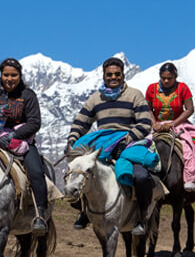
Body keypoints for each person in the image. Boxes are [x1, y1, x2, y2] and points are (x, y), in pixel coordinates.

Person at [66, 57, 154, 235]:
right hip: (101, 144)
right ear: (104, 76)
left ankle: (142, 218)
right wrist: (72, 140)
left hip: (128, 142)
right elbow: (81, 122)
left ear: (123, 75)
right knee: (76, 175)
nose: (113, 77)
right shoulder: (95, 99)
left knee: (141, 176)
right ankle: (84, 211)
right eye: (109, 74)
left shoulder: (135, 95)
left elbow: (144, 123)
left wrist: (127, 140)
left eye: (117, 74)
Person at [0, 58, 49, 231]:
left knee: (36, 171)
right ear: (1, 75)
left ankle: (40, 214)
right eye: (6, 75)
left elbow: (35, 123)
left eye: (14, 75)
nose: (10, 79)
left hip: (21, 141)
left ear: (20, 76)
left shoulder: (28, 95)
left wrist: (14, 135)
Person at [146, 62, 195, 193]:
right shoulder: (151, 89)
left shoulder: (182, 88)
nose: (166, 81)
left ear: (175, 77)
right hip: (157, 125)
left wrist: (173, 123)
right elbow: (148, 109)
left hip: (179, 123)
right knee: (141, 146)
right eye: (163, 78)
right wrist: (154, 123)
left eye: (170, 78)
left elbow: (189, 109)